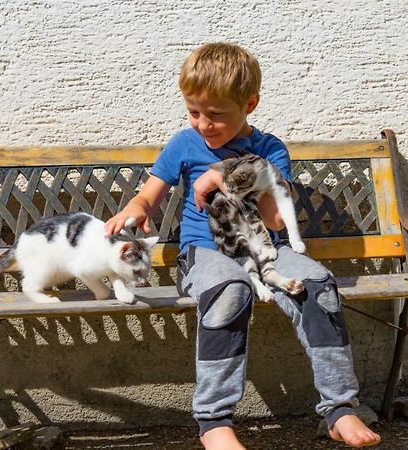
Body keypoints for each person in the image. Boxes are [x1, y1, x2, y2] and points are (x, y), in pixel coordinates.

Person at [105, 42, 381, 449]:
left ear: (249, 103)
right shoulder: (183, 143)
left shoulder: (269, 150)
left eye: (216, 115)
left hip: (265, 249)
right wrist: (136, 209)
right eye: (194, 112)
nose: (203, 124)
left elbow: (274, 219)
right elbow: (149, 195)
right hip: (205, 254)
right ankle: (214, 421)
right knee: (229, 291)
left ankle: (340, 409)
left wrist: (228, 171)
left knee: (318, 285)